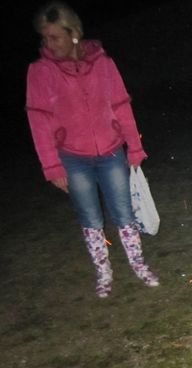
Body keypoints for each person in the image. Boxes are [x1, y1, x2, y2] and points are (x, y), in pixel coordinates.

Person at [26, 1, 159, 299]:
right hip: (73, 158)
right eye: (45, 38)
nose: (49, 44)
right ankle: (103, 272)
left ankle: (139, 265)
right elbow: (39, 122)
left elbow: (121, 106)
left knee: (124, 212)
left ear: (73, 33)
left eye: (55, 37)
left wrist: (134, 147)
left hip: (111, 152)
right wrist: (52, 166)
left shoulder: (103, 63)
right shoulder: (40, 71)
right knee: (91, 218)